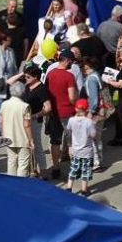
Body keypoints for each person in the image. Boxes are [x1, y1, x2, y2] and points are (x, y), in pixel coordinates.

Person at [45, 48, 79, 179]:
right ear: (67, 61)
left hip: (54, 113)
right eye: (72, 62)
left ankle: (55, 167)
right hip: (68, 112)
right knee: (72, 142)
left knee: (55, 142)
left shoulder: (50, 74)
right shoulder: (69, 76)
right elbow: (72, 97)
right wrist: (76, 96)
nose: (72, 64)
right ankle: (74, 169)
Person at [0, 81, 33, 177]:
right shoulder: (25, 106)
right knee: (23, 163)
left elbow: (1, 121)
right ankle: (21, 184)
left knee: (11, 161)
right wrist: (31, 139)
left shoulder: (4, 104)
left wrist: (3, 135)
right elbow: (27, 125)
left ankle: (11, 183)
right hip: (23, 139)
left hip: (8, 138)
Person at [64, 98, 96, 195]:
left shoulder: (72, 120)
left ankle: (69, 187)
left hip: (76, 150)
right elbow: (93, 134)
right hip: (87, 151)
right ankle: (84, 190)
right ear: (86, 109)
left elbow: (68, 129)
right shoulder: (88, 122)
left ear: (75, 109)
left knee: (73, 169)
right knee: (85, 171)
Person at [96, 4, 122, 69]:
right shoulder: (121, 28)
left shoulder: (101, 25)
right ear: (119, 17)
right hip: (117, 56)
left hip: (104, 56)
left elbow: (97, 40)